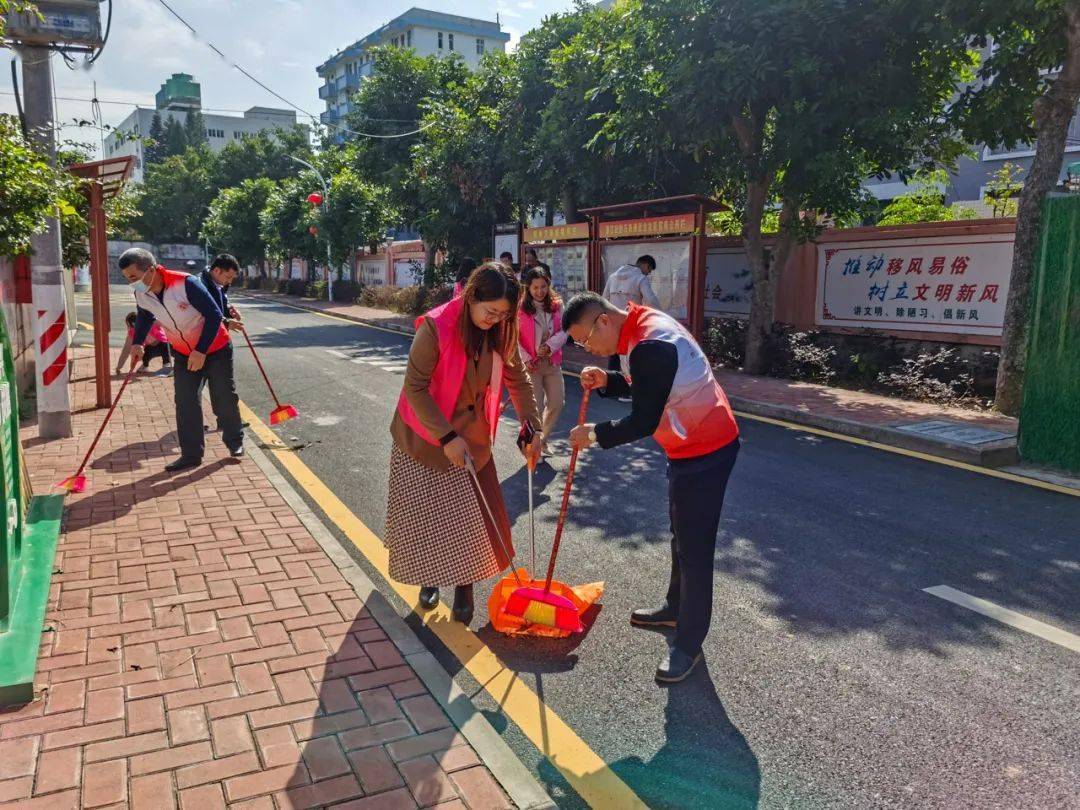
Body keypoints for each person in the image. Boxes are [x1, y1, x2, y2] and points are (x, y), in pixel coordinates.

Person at [563, 292, 740, 684]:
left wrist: (593, 435)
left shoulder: (649, 344)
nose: (587, 348)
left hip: (707, 450)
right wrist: (608, 380)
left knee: (694, 549)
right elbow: (646, 386)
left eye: (586, 340)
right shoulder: (638, 329)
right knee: (681, 534)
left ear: (604, 321)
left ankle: (689, 645)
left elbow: (644, 419)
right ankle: (675, 608)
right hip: (688, 447)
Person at [386, 263, 543, 625]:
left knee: (471, 520)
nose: (496, 320)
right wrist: (446, 437)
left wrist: (531, 427)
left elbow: (517, 376)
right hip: (425, 437)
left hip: (472, 437)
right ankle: (428, 577)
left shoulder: (501, 329)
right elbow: (415, 388)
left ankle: (465, 586)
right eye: (491, 311)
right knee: (428, 517)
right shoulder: (435, 327)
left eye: (504, 314)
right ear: (472, 297)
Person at [119, 247, 244, 472]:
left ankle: (235, 441)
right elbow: (146, 315)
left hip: (215, 349)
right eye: (128, 279)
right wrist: (138, 342)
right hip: (183, 352)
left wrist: (201, 350)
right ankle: (191, 454)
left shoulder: (185, 283)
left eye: (134, 277)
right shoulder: (141, 293)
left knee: (223, 396)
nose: (132, 283)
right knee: (186, 401)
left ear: (152, 269)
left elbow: (214, 315)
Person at [518, 267, 567, 456]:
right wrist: (527, 359)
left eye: (543, 286)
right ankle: (530, 447)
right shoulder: (520, 309)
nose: (540, 291)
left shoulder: (557, 305)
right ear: (528, 288)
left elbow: (565, 330)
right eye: (535, 287)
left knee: (557, 402)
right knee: (534, 408)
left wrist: (550, 345)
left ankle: (542, 440)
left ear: (549, 285)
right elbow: (513, 338)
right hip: (531, 365)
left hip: (552, 362)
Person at [601, 255, 662, 398]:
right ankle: (624, 393)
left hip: (613, 324)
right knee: (628, 359)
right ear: (646, 265)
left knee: (614, 357)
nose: (648, 273)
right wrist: (659, 317)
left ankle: (611, 390)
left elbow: (603, 300)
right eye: (649, 270)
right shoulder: (640, 278)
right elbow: (651, 301)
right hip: (630, 323)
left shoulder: (613, 277)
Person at [200, 253, 244, 330]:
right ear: (216, 270)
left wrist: (229, 311)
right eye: (228, 277)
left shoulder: (220, 284)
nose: (230, 282)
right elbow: (200, 315)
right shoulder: (199, 286)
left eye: (232, 278)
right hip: (202, 338)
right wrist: (225, 324)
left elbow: (220, 305)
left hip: (219, 334)